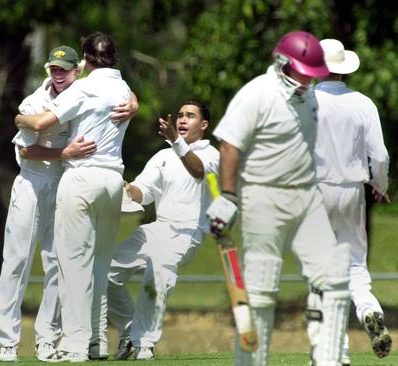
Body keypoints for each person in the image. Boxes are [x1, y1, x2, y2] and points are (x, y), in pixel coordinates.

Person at [206, 31, 350, 365]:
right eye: (302, 72)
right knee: (261, 290)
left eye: (312, 74)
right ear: (282, 63)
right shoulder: (257, 93)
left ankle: (329, 360)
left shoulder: (310, 95)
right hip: (264, 196)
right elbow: (230, 145)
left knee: (335, 278)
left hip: (307, 196)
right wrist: (228, 197)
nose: (306, 80)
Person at [0, 45, 137, 362]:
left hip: (66, 184)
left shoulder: (86, 93)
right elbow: (26, 152)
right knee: (16, 260)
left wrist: (134, 104)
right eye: (54, 70)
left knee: (58, 265)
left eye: (64, 70)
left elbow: (120, 90)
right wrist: (62, 153)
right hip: (33, 182)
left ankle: (47, 338)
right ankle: (8, 339)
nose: (58, 75)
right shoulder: (35, 102)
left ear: (78, 69)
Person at [107, 100, 219, 361]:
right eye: (180, 115)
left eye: (189, 116)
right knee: (106, 272)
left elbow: (198, 171)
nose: (182, 120)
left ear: (203, 125)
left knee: (157, 274)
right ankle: (128, 332)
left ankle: (144, 344)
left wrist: (175, 142)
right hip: (158, 228)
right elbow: (143, 192)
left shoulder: (211, 154)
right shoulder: (163, 156)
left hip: (188, 232)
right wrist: (123, 187)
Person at [305, 38, 391, 364]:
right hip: (353, 190)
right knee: (355, 265)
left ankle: (335, 351)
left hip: (315, 190)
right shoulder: (363, 103)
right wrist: (379, 184)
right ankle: (369, 309)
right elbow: (379, 156)